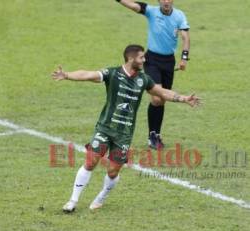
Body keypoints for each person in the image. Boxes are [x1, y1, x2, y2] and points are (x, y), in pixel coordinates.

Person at [51, 45, 199, 213]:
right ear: (130, 59)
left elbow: (162, 93)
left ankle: (101, 197)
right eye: (141, 57)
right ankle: (73, 200)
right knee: (91, 161)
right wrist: (67, 75)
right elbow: (88, 74)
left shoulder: (144, 80)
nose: (144, 60)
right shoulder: (113, 73)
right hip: (105, 128)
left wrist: (184, 98)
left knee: (113, 172)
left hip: (124, 134)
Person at [116, 0, 190, 149]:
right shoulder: (151, 11)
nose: (166, 2)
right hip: (152, 60)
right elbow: (134, 5)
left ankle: (156, 135)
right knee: (156, 97)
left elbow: (185, 37)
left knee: (162, 99)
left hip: (169, 61)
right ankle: (152, 136)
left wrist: (184, 58)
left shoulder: (179, 15)